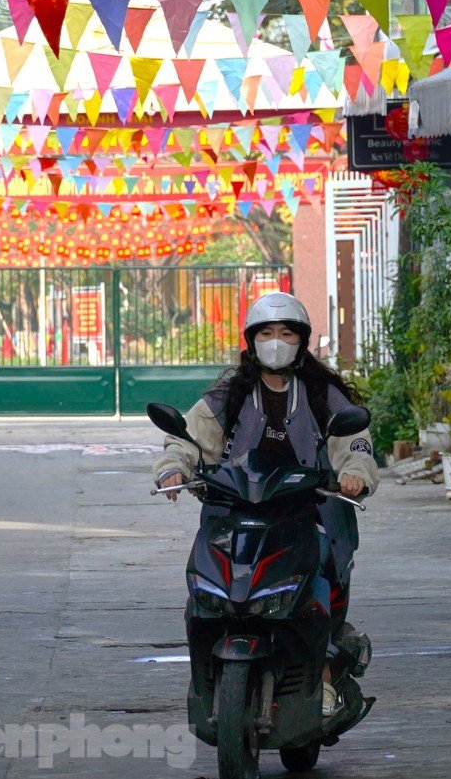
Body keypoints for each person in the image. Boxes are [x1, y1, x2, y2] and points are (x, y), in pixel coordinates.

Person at [151, 291, 378, 718]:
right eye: (267, 332)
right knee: (208, 576)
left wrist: (355, 474)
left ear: (301, 340)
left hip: (307, 510)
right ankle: (209, 668)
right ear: (252, 340)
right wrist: (173, 469)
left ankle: (324, 676)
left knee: (322, 572)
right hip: (236, 508)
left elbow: (355, 443)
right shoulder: (229, 395)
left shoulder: (321, 393)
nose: (277, 340)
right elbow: (185, 439)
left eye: (286, 332)